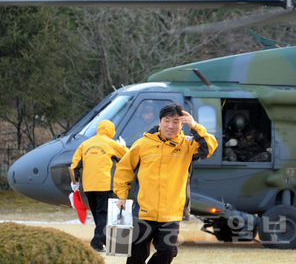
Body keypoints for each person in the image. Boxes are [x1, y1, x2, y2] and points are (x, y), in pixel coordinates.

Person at [113, 103, 218, 264]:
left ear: (182, 124)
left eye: (176, 122)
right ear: (160, 121)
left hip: (171, 213)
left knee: (168, 252)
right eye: (167, 121)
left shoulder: (188, 145)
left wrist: (195, 126)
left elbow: (209, 148)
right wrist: (121, 196)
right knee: (136, 255)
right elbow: (124, 170)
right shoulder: (142, 144)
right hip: (143, 211)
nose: (171, 126)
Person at [70, 120, 128, 252]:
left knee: (97, 214)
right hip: (104, 184)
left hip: (89, 186)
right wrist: (123, 146)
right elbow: (128, 156)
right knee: (103, 214)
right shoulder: (111, 143)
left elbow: (74, 164)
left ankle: (104, 239)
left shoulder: (85, 144)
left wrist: (75, 182)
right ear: (110, 130)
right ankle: (96, 242)